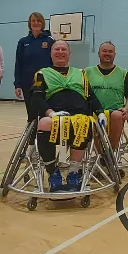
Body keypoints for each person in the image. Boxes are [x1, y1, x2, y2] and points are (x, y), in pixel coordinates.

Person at [31, 40, 104, 192]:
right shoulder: (41, 74)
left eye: (63, 49)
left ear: (69, 53)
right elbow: (36, 99)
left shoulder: (81, 74)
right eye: (56, 49)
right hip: (55, 116)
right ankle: (53, 173)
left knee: (84, 122)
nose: (60, 52)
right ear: (51, 53)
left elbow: (91, 97)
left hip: (79, 116)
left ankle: (73, 172)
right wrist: (51, 113)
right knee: (44, 123)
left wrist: (100, 112)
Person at [85, 41, 128, 154]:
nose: (107, 53)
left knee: (118, 115)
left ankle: (110, 154)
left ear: (114, 54)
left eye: (110, 51)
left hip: (115, 112)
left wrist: (126, 109)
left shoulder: (123, 73)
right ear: (99, 53)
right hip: (93, 112)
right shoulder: (87, 72)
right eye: (104, 51)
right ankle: (101, 157)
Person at [13, 12, 53, 127]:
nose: (36, 23)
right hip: (27, 83)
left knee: (44, 114)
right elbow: (18, 63)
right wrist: (17, 84)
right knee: (31, 115)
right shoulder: (23, 42)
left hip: (45, 83)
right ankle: (31, 142)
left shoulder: (50, 40)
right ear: (30, 23)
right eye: (33, 21)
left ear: (43, 23)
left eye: (38, 21)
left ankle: (42, 141)